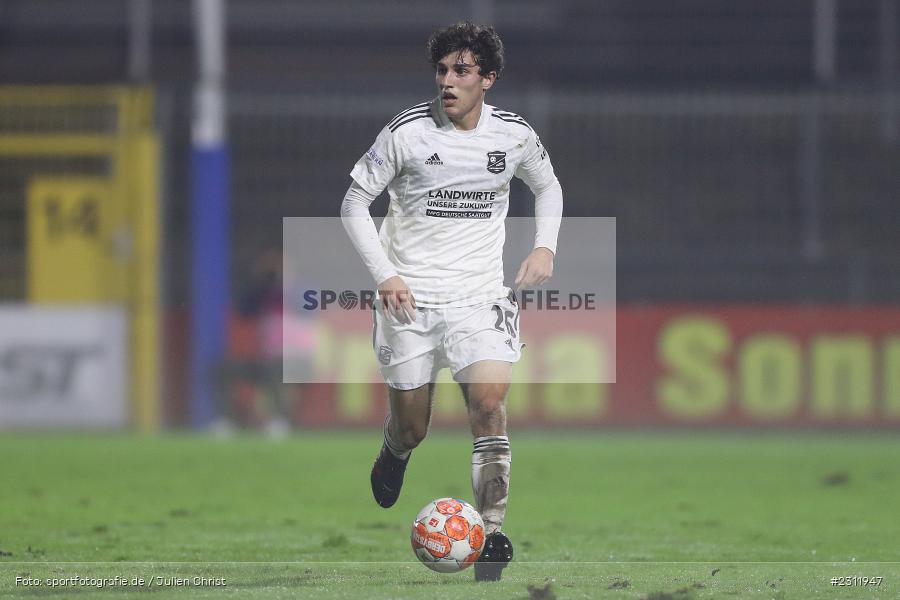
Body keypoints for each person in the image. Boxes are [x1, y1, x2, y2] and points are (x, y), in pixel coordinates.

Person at [340, 22, 562, 581]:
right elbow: (353, 203)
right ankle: (395, 450)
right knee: (414, 427)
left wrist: (545, 247)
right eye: (442, 70)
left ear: (487, 79)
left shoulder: (512, 136)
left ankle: (491, 532)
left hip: (479, 297)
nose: (447, 80)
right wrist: (386, 274)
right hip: (408, 302)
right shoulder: (406, 133)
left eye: (461, 70)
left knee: (489, 404)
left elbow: (548, 186)